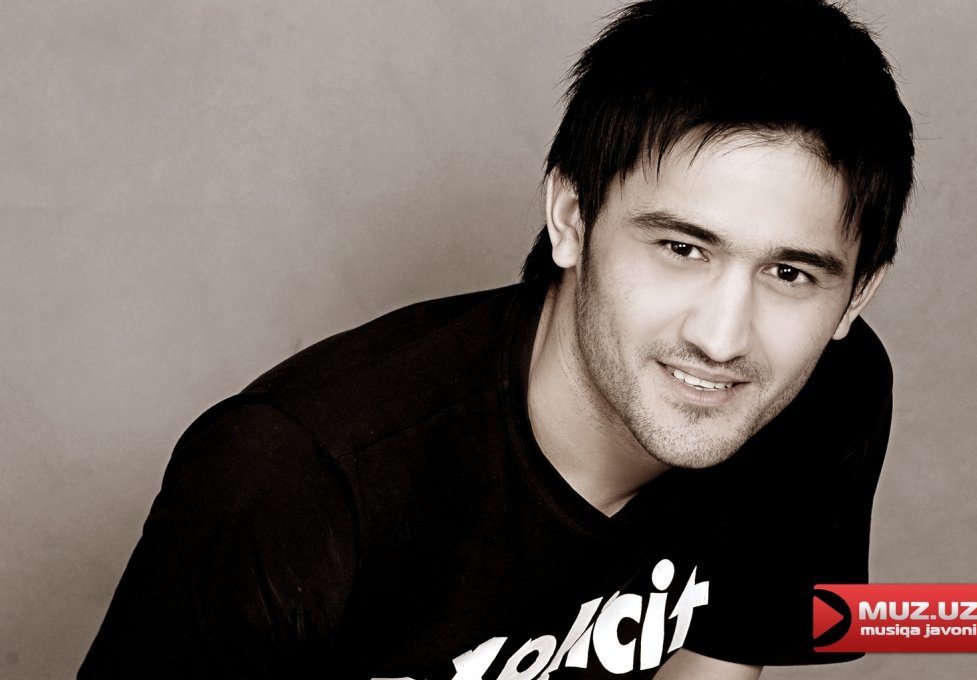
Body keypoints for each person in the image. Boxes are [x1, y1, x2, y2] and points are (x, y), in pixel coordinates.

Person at [79, 0, 915, 678]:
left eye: (790, 274)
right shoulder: (296, 477)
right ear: (571, 218)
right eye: (681, 248)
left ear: (855, 297)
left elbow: (733, 649)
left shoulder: (827, 395)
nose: (724, 339)